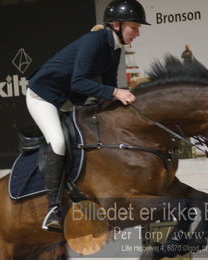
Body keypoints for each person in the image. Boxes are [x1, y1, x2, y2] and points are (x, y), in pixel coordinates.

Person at [26, 0, 150, 232]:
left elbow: (109, 87)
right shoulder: (95, 41)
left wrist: (125, 102)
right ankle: (53, 208)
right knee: (59, 142)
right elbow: (80, 81)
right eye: (134, 27)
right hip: (43, 96)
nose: (138, 33)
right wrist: (116, 92)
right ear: (116, 25)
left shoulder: (114, 49)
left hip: (69, 96)